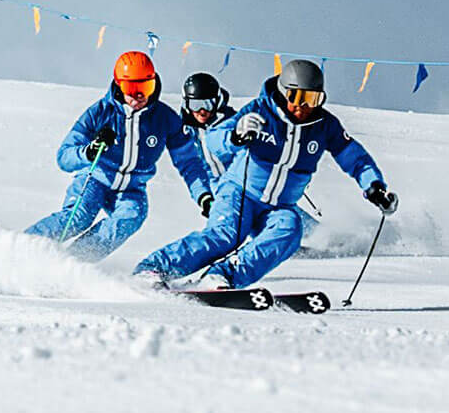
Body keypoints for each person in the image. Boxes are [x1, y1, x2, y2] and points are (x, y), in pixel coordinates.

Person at [136, 58, 397, 289]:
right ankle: (154, 268)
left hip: (280, 205)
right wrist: (236, 135)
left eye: (312, 99)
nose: (302, 106)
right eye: (296, 97)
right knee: (227, 234)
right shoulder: (261, 111)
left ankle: (222, 276)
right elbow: (215, 140)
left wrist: (374, 186)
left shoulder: (324, 125)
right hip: (239, 193)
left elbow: (354, 157)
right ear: (283, 92)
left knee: (290, 230)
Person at [26, 50, 213, 261]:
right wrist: (89, 151)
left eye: (145, 88)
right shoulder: (100, 112)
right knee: (79, 217)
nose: (138, 96)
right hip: (96, 179)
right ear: (118, 84)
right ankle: (23, 247)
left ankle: (73, 262)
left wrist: (203, 195)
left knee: (131, 217)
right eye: (131, 89)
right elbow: (64, 157)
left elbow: (189, 163)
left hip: (131, 188)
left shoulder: (165, 119)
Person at [180, 71, 237, 192]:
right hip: (210, 187)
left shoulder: (232, 123)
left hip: (238, 185)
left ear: (217, 102)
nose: (202, 111)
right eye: (195, 105)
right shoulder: (184, 130)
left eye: (208, 104)